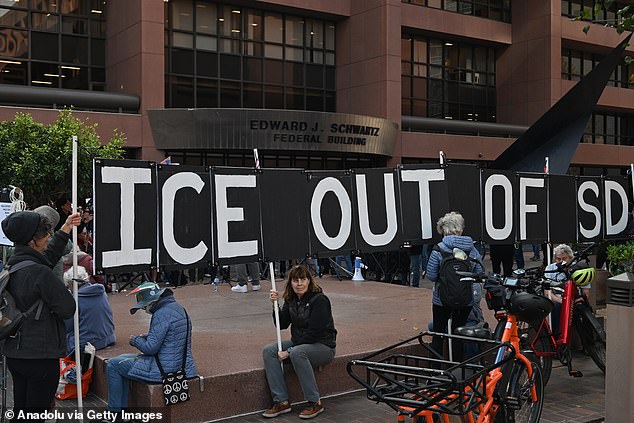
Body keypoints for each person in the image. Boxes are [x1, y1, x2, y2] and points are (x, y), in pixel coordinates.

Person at [0, 210, 80, 421]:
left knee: (21, 412)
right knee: (36, 415)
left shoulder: (13, 264)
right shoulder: (40, 273)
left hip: (16, 354)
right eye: (46, 234)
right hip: (40, 357)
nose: (48, 237)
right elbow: (67, 308)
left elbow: (45, 258)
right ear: (33, 241)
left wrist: (65, 229)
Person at [104, 282, 197, 417]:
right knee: (121, 359)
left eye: (143, 307)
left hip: (163, 369)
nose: (144, 310)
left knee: (113, 364)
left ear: (151, 302)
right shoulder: (179, 308)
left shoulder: (160, 314)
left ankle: (115, 413)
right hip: (184, 366)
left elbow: (150, 349)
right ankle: (120, 412)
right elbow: (172, 336)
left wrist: (135, 340)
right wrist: (148, 336)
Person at [262, 265, 337, 419]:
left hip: (323, 345)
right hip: (299, 343)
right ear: (291, 283)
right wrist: (275, 305)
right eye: (295, 280)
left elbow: (315, 332)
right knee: (269, 351)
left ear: (309, 281)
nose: (299, 283)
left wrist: (289, 352)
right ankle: (281, 402)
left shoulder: (319, 300)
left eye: (303, 279)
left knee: (297, 353)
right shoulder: (291, 299)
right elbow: (282, 324)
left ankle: (315, 402)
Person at [426, 211, 484, 362]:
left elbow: (431, 275)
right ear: (461, 229)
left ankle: (436, 373)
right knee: (458, 332)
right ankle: (459, 370)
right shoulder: (471, 249)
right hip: (465, 299)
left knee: (438, 335)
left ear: (444, 230)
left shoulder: (439, 249)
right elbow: (479, 272)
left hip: (441, 299)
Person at [63, 266, 115, 355]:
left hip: (88, 342)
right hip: (109, 336)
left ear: (71, 284)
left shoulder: (75, 299)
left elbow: (67, 327)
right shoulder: (101, 292)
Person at [544, 244, 592, 336]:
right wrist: (562, 301)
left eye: (564, 258)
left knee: (583, 310)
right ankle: (556, 337)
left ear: (570, 258)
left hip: (575, 299)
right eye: (558, 259)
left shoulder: (578, 269)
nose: (561, 262)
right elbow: (548, 293)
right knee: (556, 307)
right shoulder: (550, 268)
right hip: (558, 299)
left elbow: (586, 292)